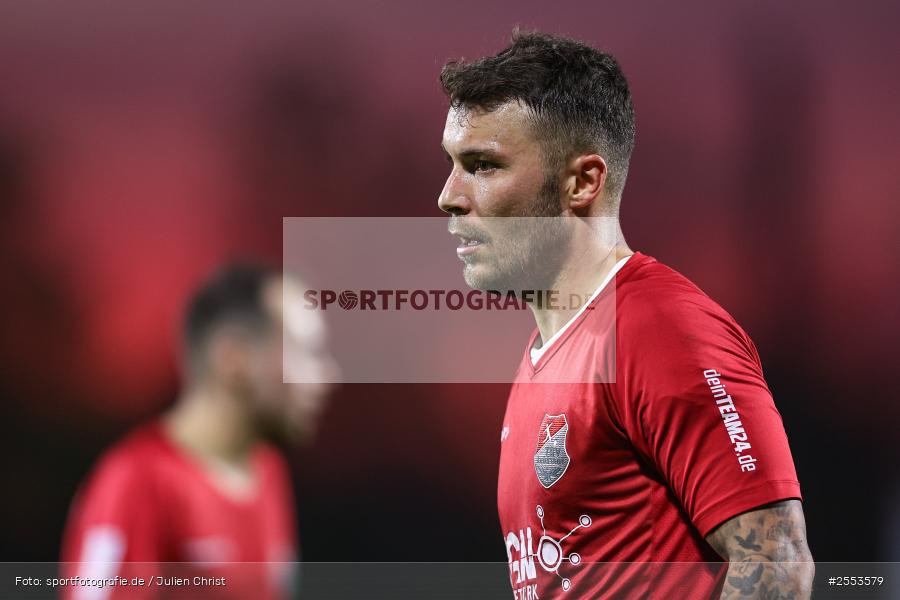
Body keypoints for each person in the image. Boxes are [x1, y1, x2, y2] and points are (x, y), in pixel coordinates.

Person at [438, 30, 813, 599]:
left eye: (483, 166)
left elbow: (776, 563)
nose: (449, 195)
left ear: (583, 182)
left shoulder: (660, 328)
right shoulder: (552, 350)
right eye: (453, 164)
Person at [61, 263, 337, 599]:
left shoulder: (269, 470)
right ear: (235, 360)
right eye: (304, 353)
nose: (326, 376)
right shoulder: (136, 482)